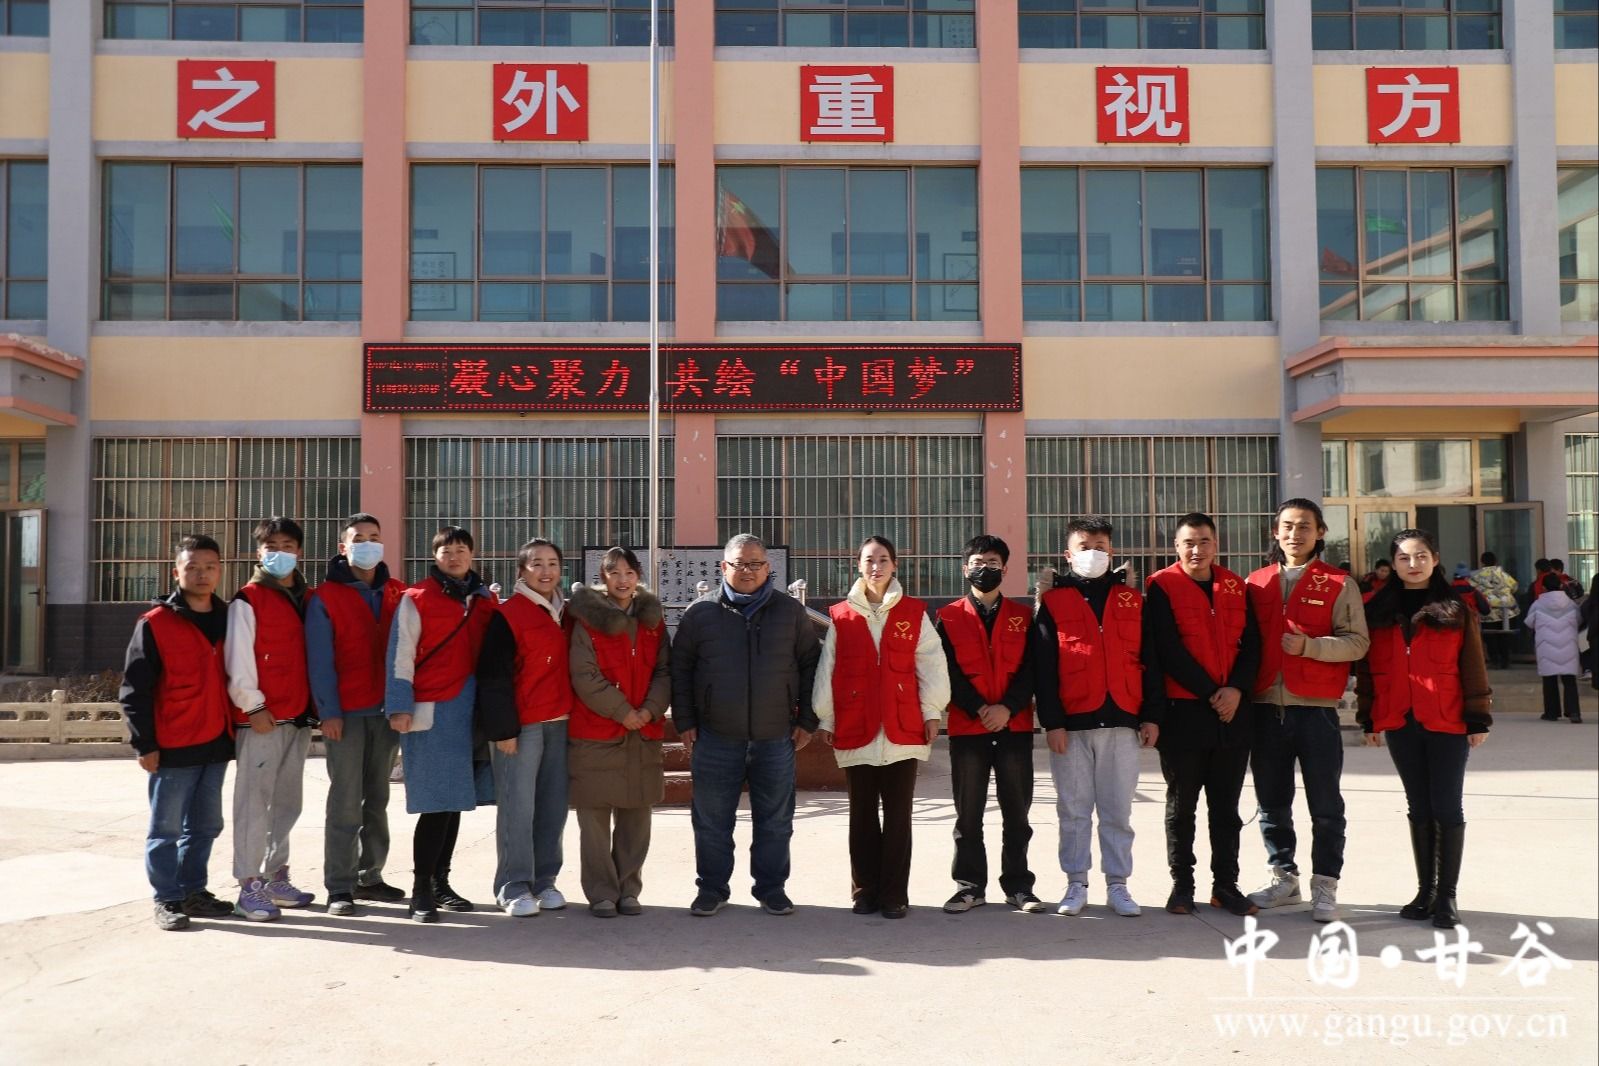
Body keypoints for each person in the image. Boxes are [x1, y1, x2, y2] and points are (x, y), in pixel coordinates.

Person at [671, 533, 822, 917]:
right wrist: (685, 720)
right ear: (724, 566)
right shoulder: (701, 613)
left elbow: (811, 666)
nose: (748, 571)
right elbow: (681, 669)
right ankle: (712, 888)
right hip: (715, 736)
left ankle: (772, 889)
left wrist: (807, 720)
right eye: (740, 564)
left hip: (776, 736)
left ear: (768, 568)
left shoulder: (790, 612)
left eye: (756, 564)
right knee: (711, 822)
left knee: (776, 821)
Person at [1357, 528, 1491, 930]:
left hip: (1447, 718)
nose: (1412, 564)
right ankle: (1425, 891)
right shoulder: (1376, 610)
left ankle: (1447, 895)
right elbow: (1368, 670)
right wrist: (1368, 717)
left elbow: (1473, 664)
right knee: (1419, 806)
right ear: (1393, 564)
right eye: (1403, 558)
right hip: (1400, 719)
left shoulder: (1456, 608)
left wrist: (1478, 717)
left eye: (1420, 556)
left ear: (1434, 559)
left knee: (1446, 806)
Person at [1244, 499, 1369, 923]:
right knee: (1271, 803)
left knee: (1326, 805)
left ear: (1320, 533)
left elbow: (1358, 642)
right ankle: (1284, 878)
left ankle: (1325, 885)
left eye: (1304, 526)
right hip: (1265, 708)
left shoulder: (1338, 583)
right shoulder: (1256, 582)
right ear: (1275, 532)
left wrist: (1310, 646)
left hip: (1315, 710)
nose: (1294, 534)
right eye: (1287, 526)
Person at [814, 536, 951, 919]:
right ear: (858, 565)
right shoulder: (842, 615)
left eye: (883, 560)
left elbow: (931, 663)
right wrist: (826, 716)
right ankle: (864, 892)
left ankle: (894, 895)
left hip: (902, 726)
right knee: (861, 814)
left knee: (898, 816)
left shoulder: (913, 613)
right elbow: (829, 668)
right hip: (856, 724)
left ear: (895, 566)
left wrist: (931, 712)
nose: (876, 567)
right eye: (869, 560)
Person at [1031, 517, 1160, 919]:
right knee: (1073, 811)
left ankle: (1118, 884)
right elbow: (1043, 668)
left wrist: (1151, 716)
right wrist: (1052, 722)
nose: (1093, 553)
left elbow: (1150, 661)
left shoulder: (1132, 600)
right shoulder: (1053, 602)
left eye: (1100, 546)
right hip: (1072, 725)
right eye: (1084, 546)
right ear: (1068, 555)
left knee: (1117, 811)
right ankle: (1076, 883)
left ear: (1112, 551)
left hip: (1122, 720)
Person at [1143, 512, 1262, 917]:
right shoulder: (1161, 586)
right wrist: (1213, 693)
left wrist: (1236, 689)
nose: (1197, 549)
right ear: (1176, 547)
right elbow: (1167, 650)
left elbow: (1252, 645)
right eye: (1189, 543)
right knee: (1182, 807)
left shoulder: (1235, 585)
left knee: (1226, 809)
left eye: (1204, 541)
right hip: (1185, 714)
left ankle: (1226, 886)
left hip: (1232, 714)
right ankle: (1182, 886)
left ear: (1216, 544)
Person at [120, 534, 238, 930]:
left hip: (218, 740)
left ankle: (193, 891)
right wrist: (144, 743)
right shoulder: (155, 624)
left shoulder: (230, 618)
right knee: (166, 829)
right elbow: (135, 690)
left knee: (206, 826)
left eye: (210, 567)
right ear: (176, 573)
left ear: (220, 571)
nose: (202, 574)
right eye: (193, 567)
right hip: (173, 743)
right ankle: (167, 898)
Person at [387, 525, 496, 923]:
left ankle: (440, 882)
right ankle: (421, 889)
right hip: (430, 711)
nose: (454, 556)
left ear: (472, 555)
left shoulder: (483, 599)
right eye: (446, 550)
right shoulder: (415, 598)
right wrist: (399, 706)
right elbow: (400, 655)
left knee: (455, 804)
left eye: (461, 549)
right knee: (436, 805)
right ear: (434, 556)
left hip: (470, 713)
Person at [305, 512, 408, 916]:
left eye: (374, 537)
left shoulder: (398, 593)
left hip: (386, 711)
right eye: (358, 538)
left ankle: (370, 875)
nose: (367, 544)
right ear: (343, 547)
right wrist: (328, 712)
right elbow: (320, 661)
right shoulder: (325, 598)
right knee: (346, 800)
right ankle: (340, 886)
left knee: (378, 797)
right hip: (346, 715)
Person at [934, 534, 1041, 915]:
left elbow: (1032, 669)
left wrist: (1007, 708)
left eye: (993, 563)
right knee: (968, 815)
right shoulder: (948, 617)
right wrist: (980, 708)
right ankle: (969, 887)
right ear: (966, 569)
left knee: (1017, 814)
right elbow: (945, 671)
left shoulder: (1023, 617)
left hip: (1014, 727)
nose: (985, 569)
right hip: (969, 728)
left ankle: (1019, 886)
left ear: (1005, 569)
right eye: (978, 563)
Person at [566, 547, 672, 917]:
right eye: (614, 573)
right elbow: (584, 675)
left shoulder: (652, 621)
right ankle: (601, 892)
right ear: (604, 577)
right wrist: (622, 711)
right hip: (597, 731)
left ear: (638, 575)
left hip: (642, 730)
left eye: (629, 572)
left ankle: (629, 889)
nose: (622, 580)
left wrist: (650, 709)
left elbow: (664, 671)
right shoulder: (587, 619)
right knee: (594, 819)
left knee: (637, 816)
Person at [474, 537, 575, 918]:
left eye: (552, 563)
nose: (546, 571)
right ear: (522, 571)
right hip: (522, 727)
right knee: (517, 808)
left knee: (553, 807)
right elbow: (493, 677)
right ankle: (513, 885)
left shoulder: (567, 613)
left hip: (560, 722)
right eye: (537, 564)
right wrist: (503, 730)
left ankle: (545, 880)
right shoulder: (508, 614)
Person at [226, 516, 317, 921]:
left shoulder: (307, 597)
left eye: (288, 546)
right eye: (272, 546)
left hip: (297, 716)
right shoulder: (248, 599)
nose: (281, 553)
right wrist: (254, 705)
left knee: (286, 803)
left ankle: (276, 876)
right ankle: (248, 885)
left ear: (300, 551)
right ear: (259, 553)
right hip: (262, 718)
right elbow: (238, 657)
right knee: (253, 803)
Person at [1524, 573, 1584, 723]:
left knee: (1549, 680)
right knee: (1569, 680)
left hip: (1546, 646)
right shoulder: (1571, 604)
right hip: (1568, 646)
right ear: (1561, 585)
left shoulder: (1537, 604)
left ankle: (1551, 712)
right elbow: (1579, 620)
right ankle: (1574, 712)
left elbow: (1529, 622)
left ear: (1544, 587)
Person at [1468, 551, 1519, 669]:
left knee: (1490, 637)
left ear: (1482, 562)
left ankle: (1494, 660)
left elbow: (1471, 591)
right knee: (1504, 636)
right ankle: (1505, 660)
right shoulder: (1503, 574)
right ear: (1496, 561)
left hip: (1487, 611)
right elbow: (1514, 587)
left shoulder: (1476, 577)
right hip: (1506, 612)